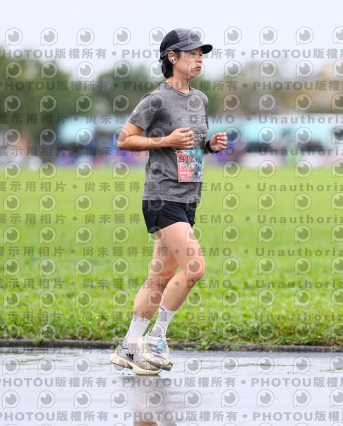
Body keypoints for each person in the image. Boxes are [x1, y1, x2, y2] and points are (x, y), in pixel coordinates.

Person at [110, 28, 227, 375]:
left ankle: (129, 347)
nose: (199, 59)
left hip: (189, 198)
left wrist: (209, 146)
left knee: (159, 278)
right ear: (172, 58)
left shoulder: (201, 99)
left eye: (201, 54)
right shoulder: (156, 99)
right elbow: (124, 140)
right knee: (195, 267)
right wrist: (165, 140)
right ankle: (156, 337)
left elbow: (189, 145)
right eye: (192, 54)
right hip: (162, 196)